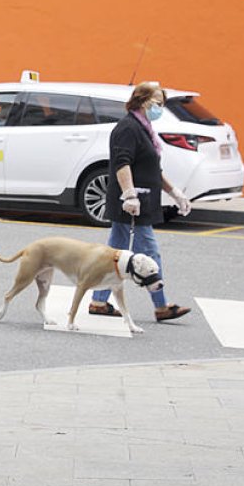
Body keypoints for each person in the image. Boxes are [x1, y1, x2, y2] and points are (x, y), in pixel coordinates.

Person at [89, 81, 192, 322]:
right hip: (132, 204)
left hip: (140, 201)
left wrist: (175, 192)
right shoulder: (128, 128)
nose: (160, 108)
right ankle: (161, 305)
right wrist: (130, 195)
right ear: (142, 101)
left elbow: (152, 169)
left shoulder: (143, 128)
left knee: (115, 255)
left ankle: (98, 301)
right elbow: (122, 163)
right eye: (157, 103)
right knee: (149, 252)